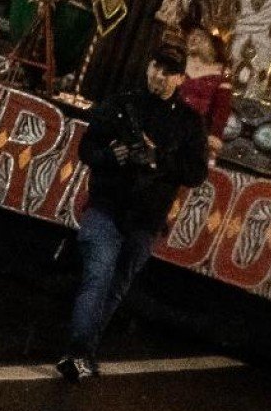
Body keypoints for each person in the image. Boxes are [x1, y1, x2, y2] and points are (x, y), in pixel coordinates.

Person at [58, 44, 210, 381]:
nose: (159, 75)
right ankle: (76, 352)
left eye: (168, 70)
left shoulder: (188, 122)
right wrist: (113, 155)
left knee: (115, 284)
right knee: (98, 274)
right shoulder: (120, 103)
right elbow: (87, 149)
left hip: (146, 218)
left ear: (180, 78)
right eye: (156, 66)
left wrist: (159, 158)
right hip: (107, 207)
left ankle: (87, 349)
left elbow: (196, 172)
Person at [178, 26, 233, 158]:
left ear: (211, 42)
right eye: (191, 35)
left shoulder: (221, 72)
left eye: (200, 36)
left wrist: (215, 135)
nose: (193, 38)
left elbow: (222, 109)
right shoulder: (179, 61)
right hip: (169, 122)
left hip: (196, 133)